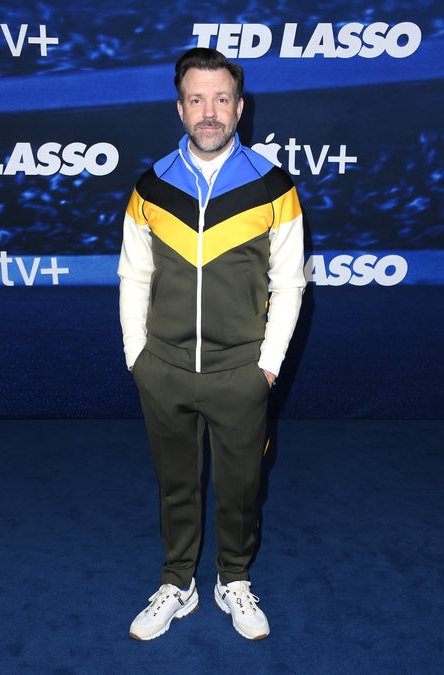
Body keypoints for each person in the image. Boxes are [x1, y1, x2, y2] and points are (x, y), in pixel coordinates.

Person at [117, 47, 306, 641]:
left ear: (240, 107)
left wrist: (266, 367)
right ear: (179, 108)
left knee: (242, 487)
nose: (209, 111)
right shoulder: (149, 188)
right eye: (196, 99)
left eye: (221, 99)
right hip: (165, 369)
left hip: (241, 373)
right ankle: (179, 583)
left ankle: (234, 578)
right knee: (176, 484)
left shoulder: (275, 188)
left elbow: (290, 282)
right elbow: (134, 276)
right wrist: (137, 357)